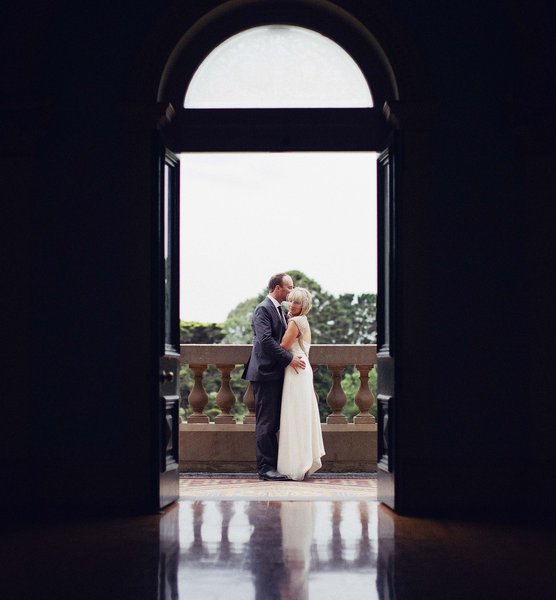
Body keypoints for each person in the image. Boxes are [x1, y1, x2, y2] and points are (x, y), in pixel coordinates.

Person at [243, 273, 306, 481]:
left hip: (275, 374)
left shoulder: (279, 310)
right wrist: (289, 359)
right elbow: (266, 341)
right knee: (266, 423)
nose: (291, 291)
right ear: (277, 288)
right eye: (289, 287)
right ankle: (266, 469)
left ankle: (275, 465)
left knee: (275, 422)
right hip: (265, 373)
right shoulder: (263, 308)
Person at [277, 287, 325, 480]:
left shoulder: (296, 322)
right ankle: (302, 462)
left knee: (295, 417)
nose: (293, 305)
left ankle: (295, 465)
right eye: (291, 301)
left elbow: (282, 347)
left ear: (304, 305)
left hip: (295, 369)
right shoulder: (302, 321)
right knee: (301, 416)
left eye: (297, 302)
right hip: (302, 369)